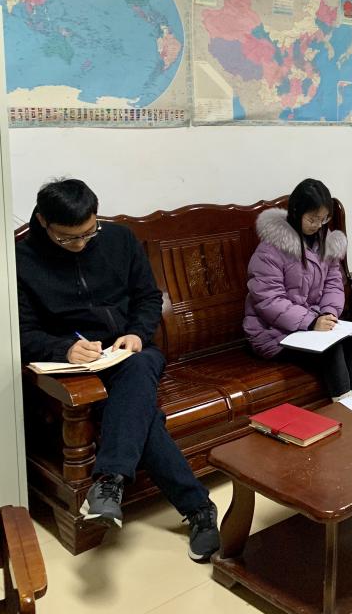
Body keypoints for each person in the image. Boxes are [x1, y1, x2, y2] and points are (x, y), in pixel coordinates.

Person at [15, 179, 220, 562]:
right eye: (68, 238)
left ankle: (109, 481)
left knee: (137, 368)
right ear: (43, 221)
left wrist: (137, 333)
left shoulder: (119, 239)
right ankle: (199, 509)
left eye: (88, 232)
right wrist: (64, 348)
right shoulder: (22, 261)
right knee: (142, 417)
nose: (80, 244)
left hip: (131, 352)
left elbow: (148, 298)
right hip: (75, 368)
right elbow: (21, 332)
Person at [243, 178, 352, 400]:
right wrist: (311, 322)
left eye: (323, 219)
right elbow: (269, 300)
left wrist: (328, 313)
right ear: (296, 211)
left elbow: (333, 281)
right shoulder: (270, 250)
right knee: (330, 348)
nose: (318, 225)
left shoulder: (324, 241)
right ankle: (345, 407)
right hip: (273, 332)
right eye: (312, 219)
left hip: (308, 325)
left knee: (350, 340)